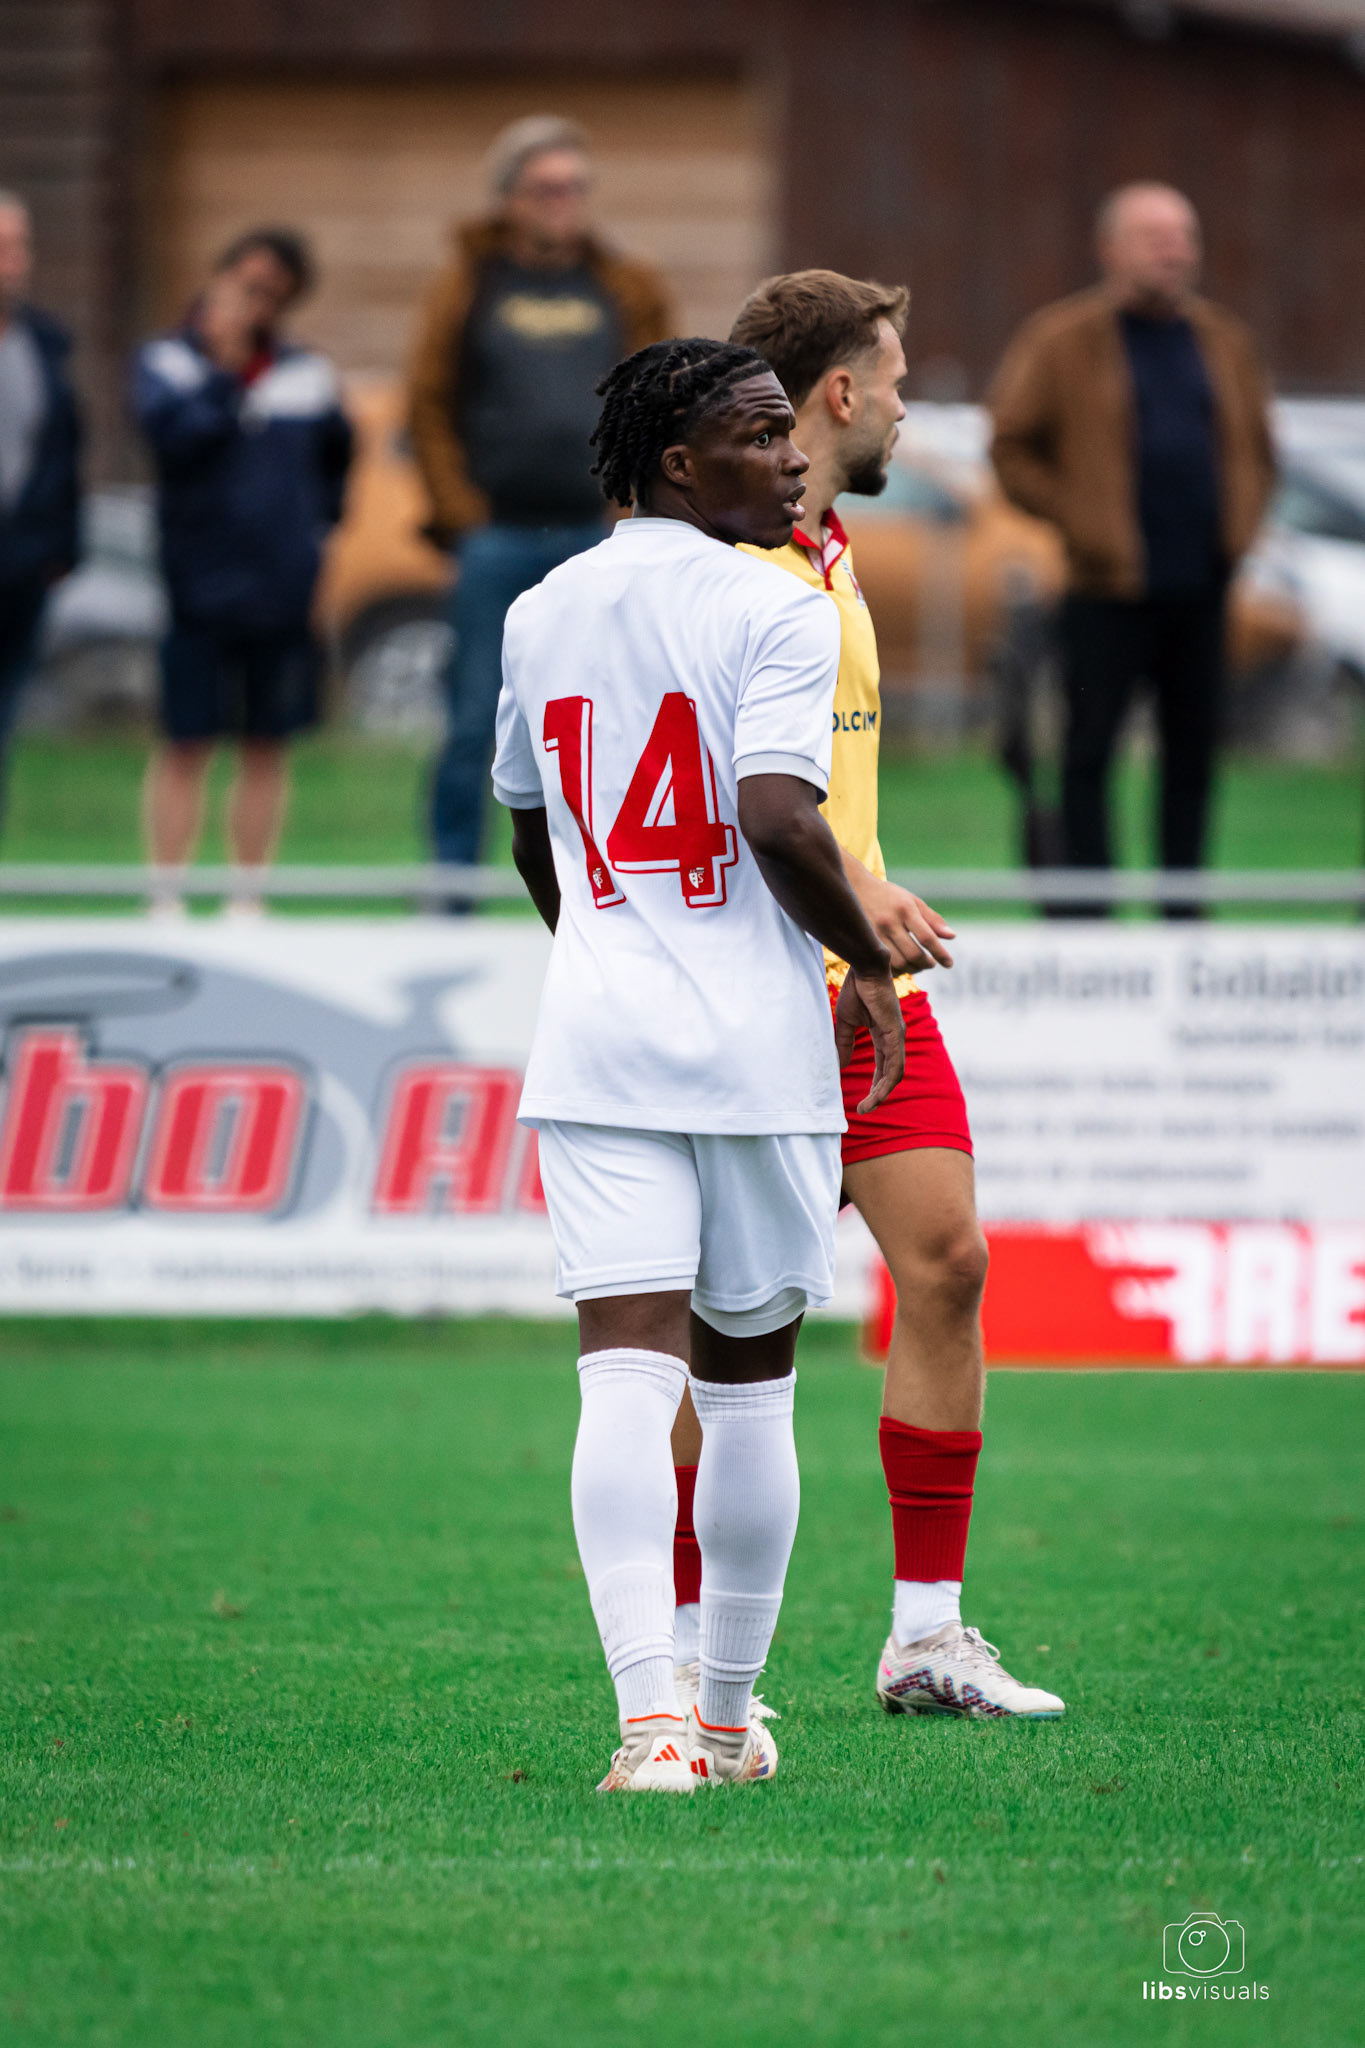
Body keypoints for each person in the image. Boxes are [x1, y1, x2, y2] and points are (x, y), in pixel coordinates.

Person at [491, 336, 905, 1791]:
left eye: (793, 433)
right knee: (746, 1392)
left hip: (597, 1042)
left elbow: (535, 832)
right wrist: (863, 958)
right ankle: (724, 1718)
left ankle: (649, 1727)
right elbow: (782, 819)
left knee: (618, 1381)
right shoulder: (771, 604)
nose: (793, 457)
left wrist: (608, 944)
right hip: (752, 1049)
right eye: (762, 432)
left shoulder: (540, 611)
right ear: (679, 461)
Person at [654, 269, 1059, 1721]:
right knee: (730, 1333)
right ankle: (697, 1663)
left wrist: (870, 913)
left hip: (866, 985)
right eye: (891, 380)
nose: (901, 406)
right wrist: (846, 895)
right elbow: (715, 804)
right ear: (839, 393)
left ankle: (928, 1637)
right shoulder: (707, 571)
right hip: (753, 991)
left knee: (947, 1264)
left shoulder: (825, 555)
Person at [989, 183, 1275, 912]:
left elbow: (1259, 451)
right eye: (1155, 236)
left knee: (1193, 762)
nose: (1173, 251)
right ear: (1110, 248)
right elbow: (1011, 448)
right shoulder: (1062, 340)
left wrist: (1239, 528)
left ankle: (1183, 920)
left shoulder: (1222, 340)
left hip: (1201, 589)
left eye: (1183, 237)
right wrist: (1077, 518)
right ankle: (1088, 922)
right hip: (1103, 590)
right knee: (1087, 758)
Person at [408, 115, 673, 874]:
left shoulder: (626, 284)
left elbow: (662, 400)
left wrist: (634, 514)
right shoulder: (466, 285)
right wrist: (461, 522)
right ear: (508, 200)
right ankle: (449, 890)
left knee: (612, 721)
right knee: (469, 723)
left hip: (598, 541)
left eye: (575, 188)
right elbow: (426, 406)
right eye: (546, 189)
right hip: (495, 540)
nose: (564, 202)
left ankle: (606, 885)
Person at [131, 227, 353, 910]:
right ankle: (165, 894)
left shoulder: (305, 373)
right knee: (186, 740)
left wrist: (308, 540)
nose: (256, 303)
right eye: (247, 285)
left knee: (266, 744)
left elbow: (336, 464)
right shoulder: (168, 364)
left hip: (280, 592)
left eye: (273, 292)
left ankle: (247, 896)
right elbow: (174, 445)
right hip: (197, 589)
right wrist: (225, 374)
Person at [0, 190, 81, 828]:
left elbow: (63, 450)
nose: (13, 259)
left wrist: (60, 547)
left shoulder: (42, 346)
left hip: (20, 562)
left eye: (18, 246)